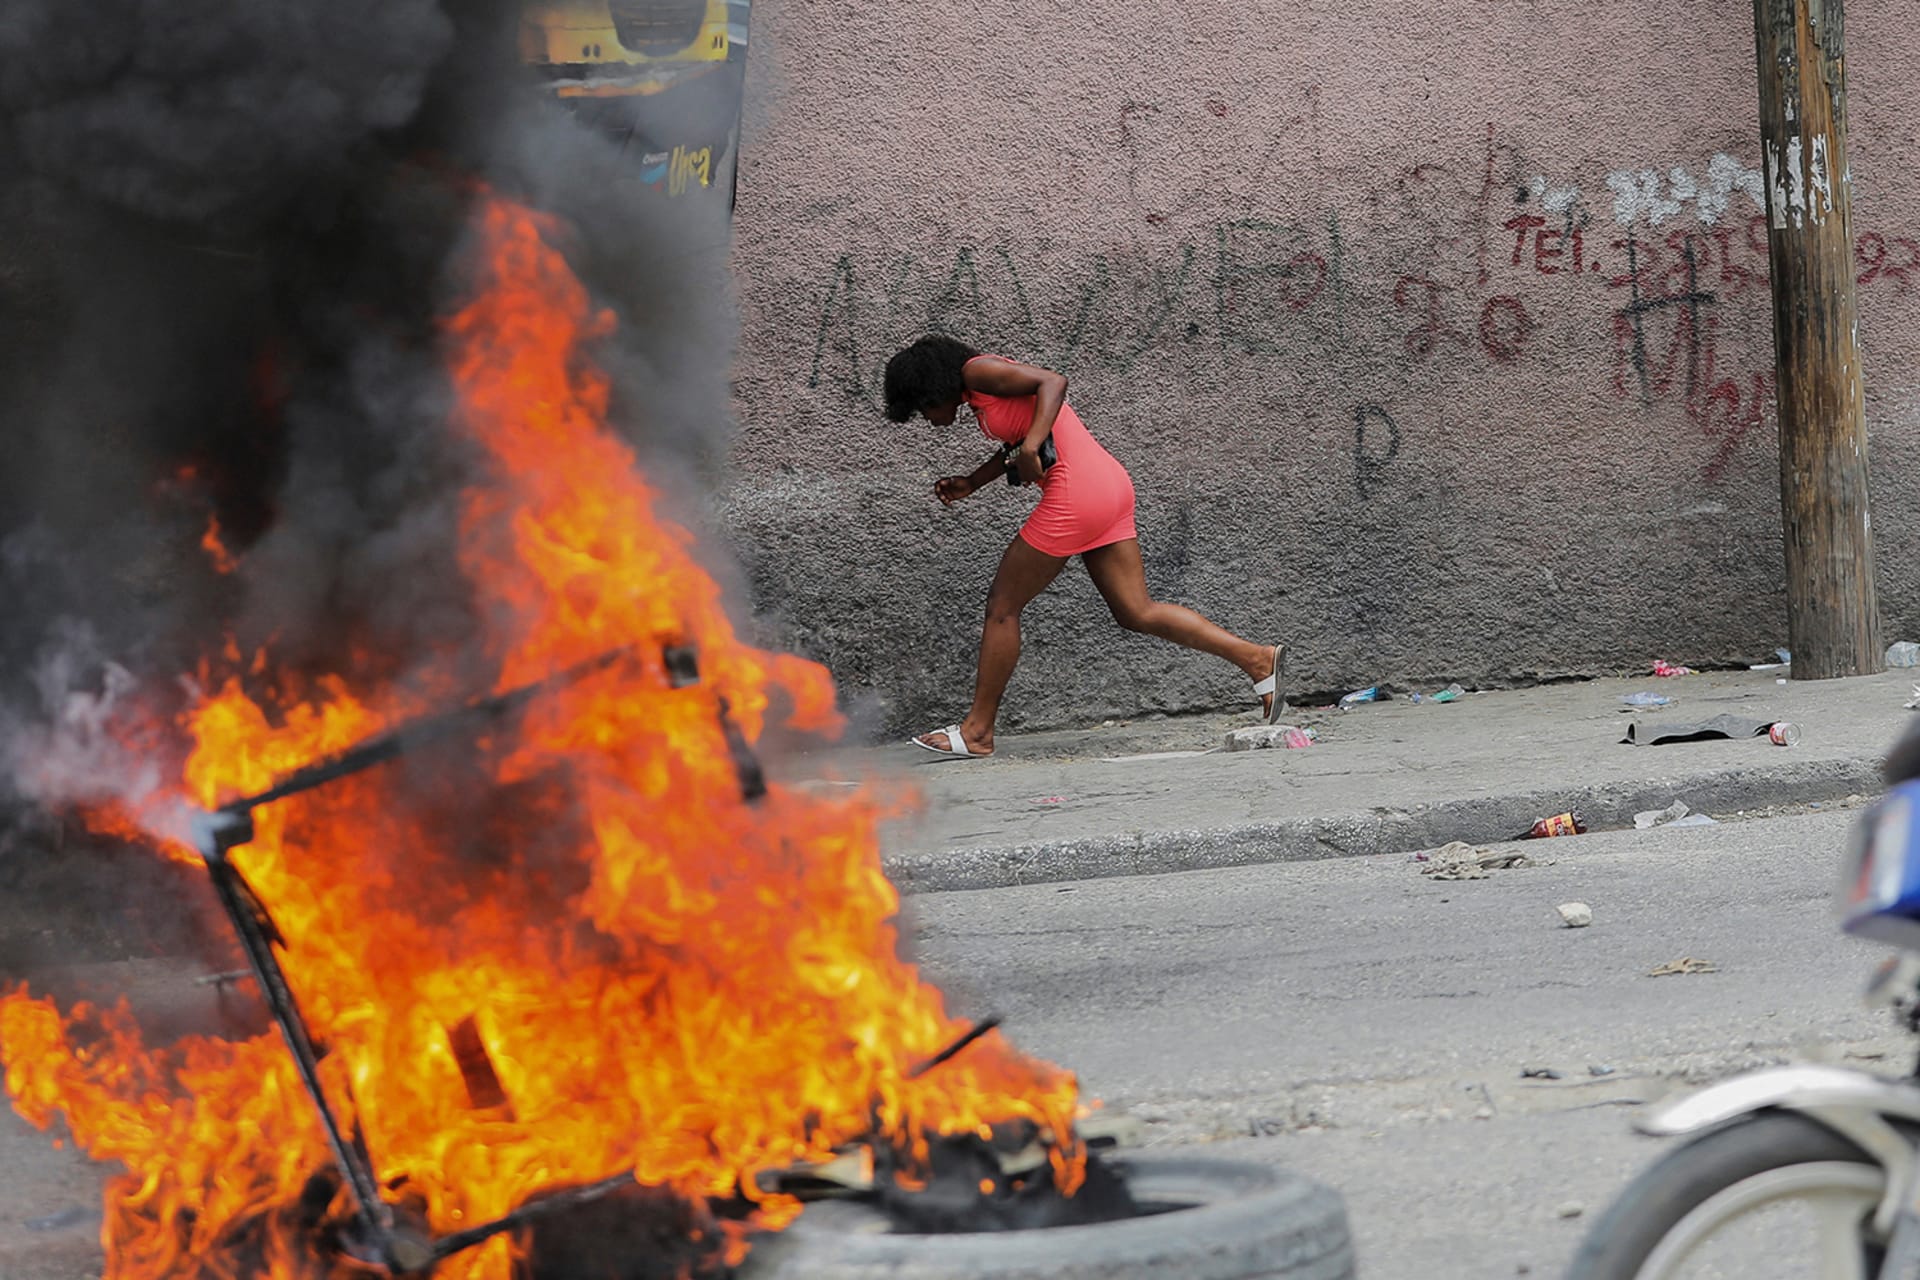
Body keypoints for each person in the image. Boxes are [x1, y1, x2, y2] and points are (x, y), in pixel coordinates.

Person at [882, 334, 1284, 758]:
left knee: (1003, 607)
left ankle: (978, 731)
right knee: (1137, 611)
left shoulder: (976, 371)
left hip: (1076, 492)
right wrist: (973, 482)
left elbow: (1052, 382)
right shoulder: (977, 392)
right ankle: (1257, 659)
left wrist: (1033, 445)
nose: (926, 418)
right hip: (1107, 486)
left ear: (933, 388)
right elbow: (1019, 440)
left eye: (923, 408)